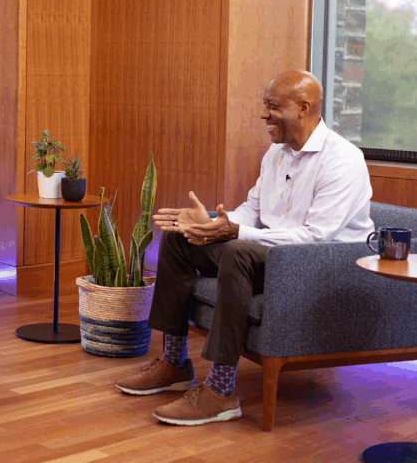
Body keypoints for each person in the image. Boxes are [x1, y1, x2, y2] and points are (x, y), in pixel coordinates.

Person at [115, 70, 374, 426]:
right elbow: (254, 209)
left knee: (239, 252)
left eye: (273, 106)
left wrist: (235, 232)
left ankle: (221, 391)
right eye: (264, 105)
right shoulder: (277, 153)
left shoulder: (342, 160)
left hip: (317, 265)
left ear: (303, 108)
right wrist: (211, 224)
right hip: (270, 255)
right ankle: (174, 364)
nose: (264, 115)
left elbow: (316, 237)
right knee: (179, 236)